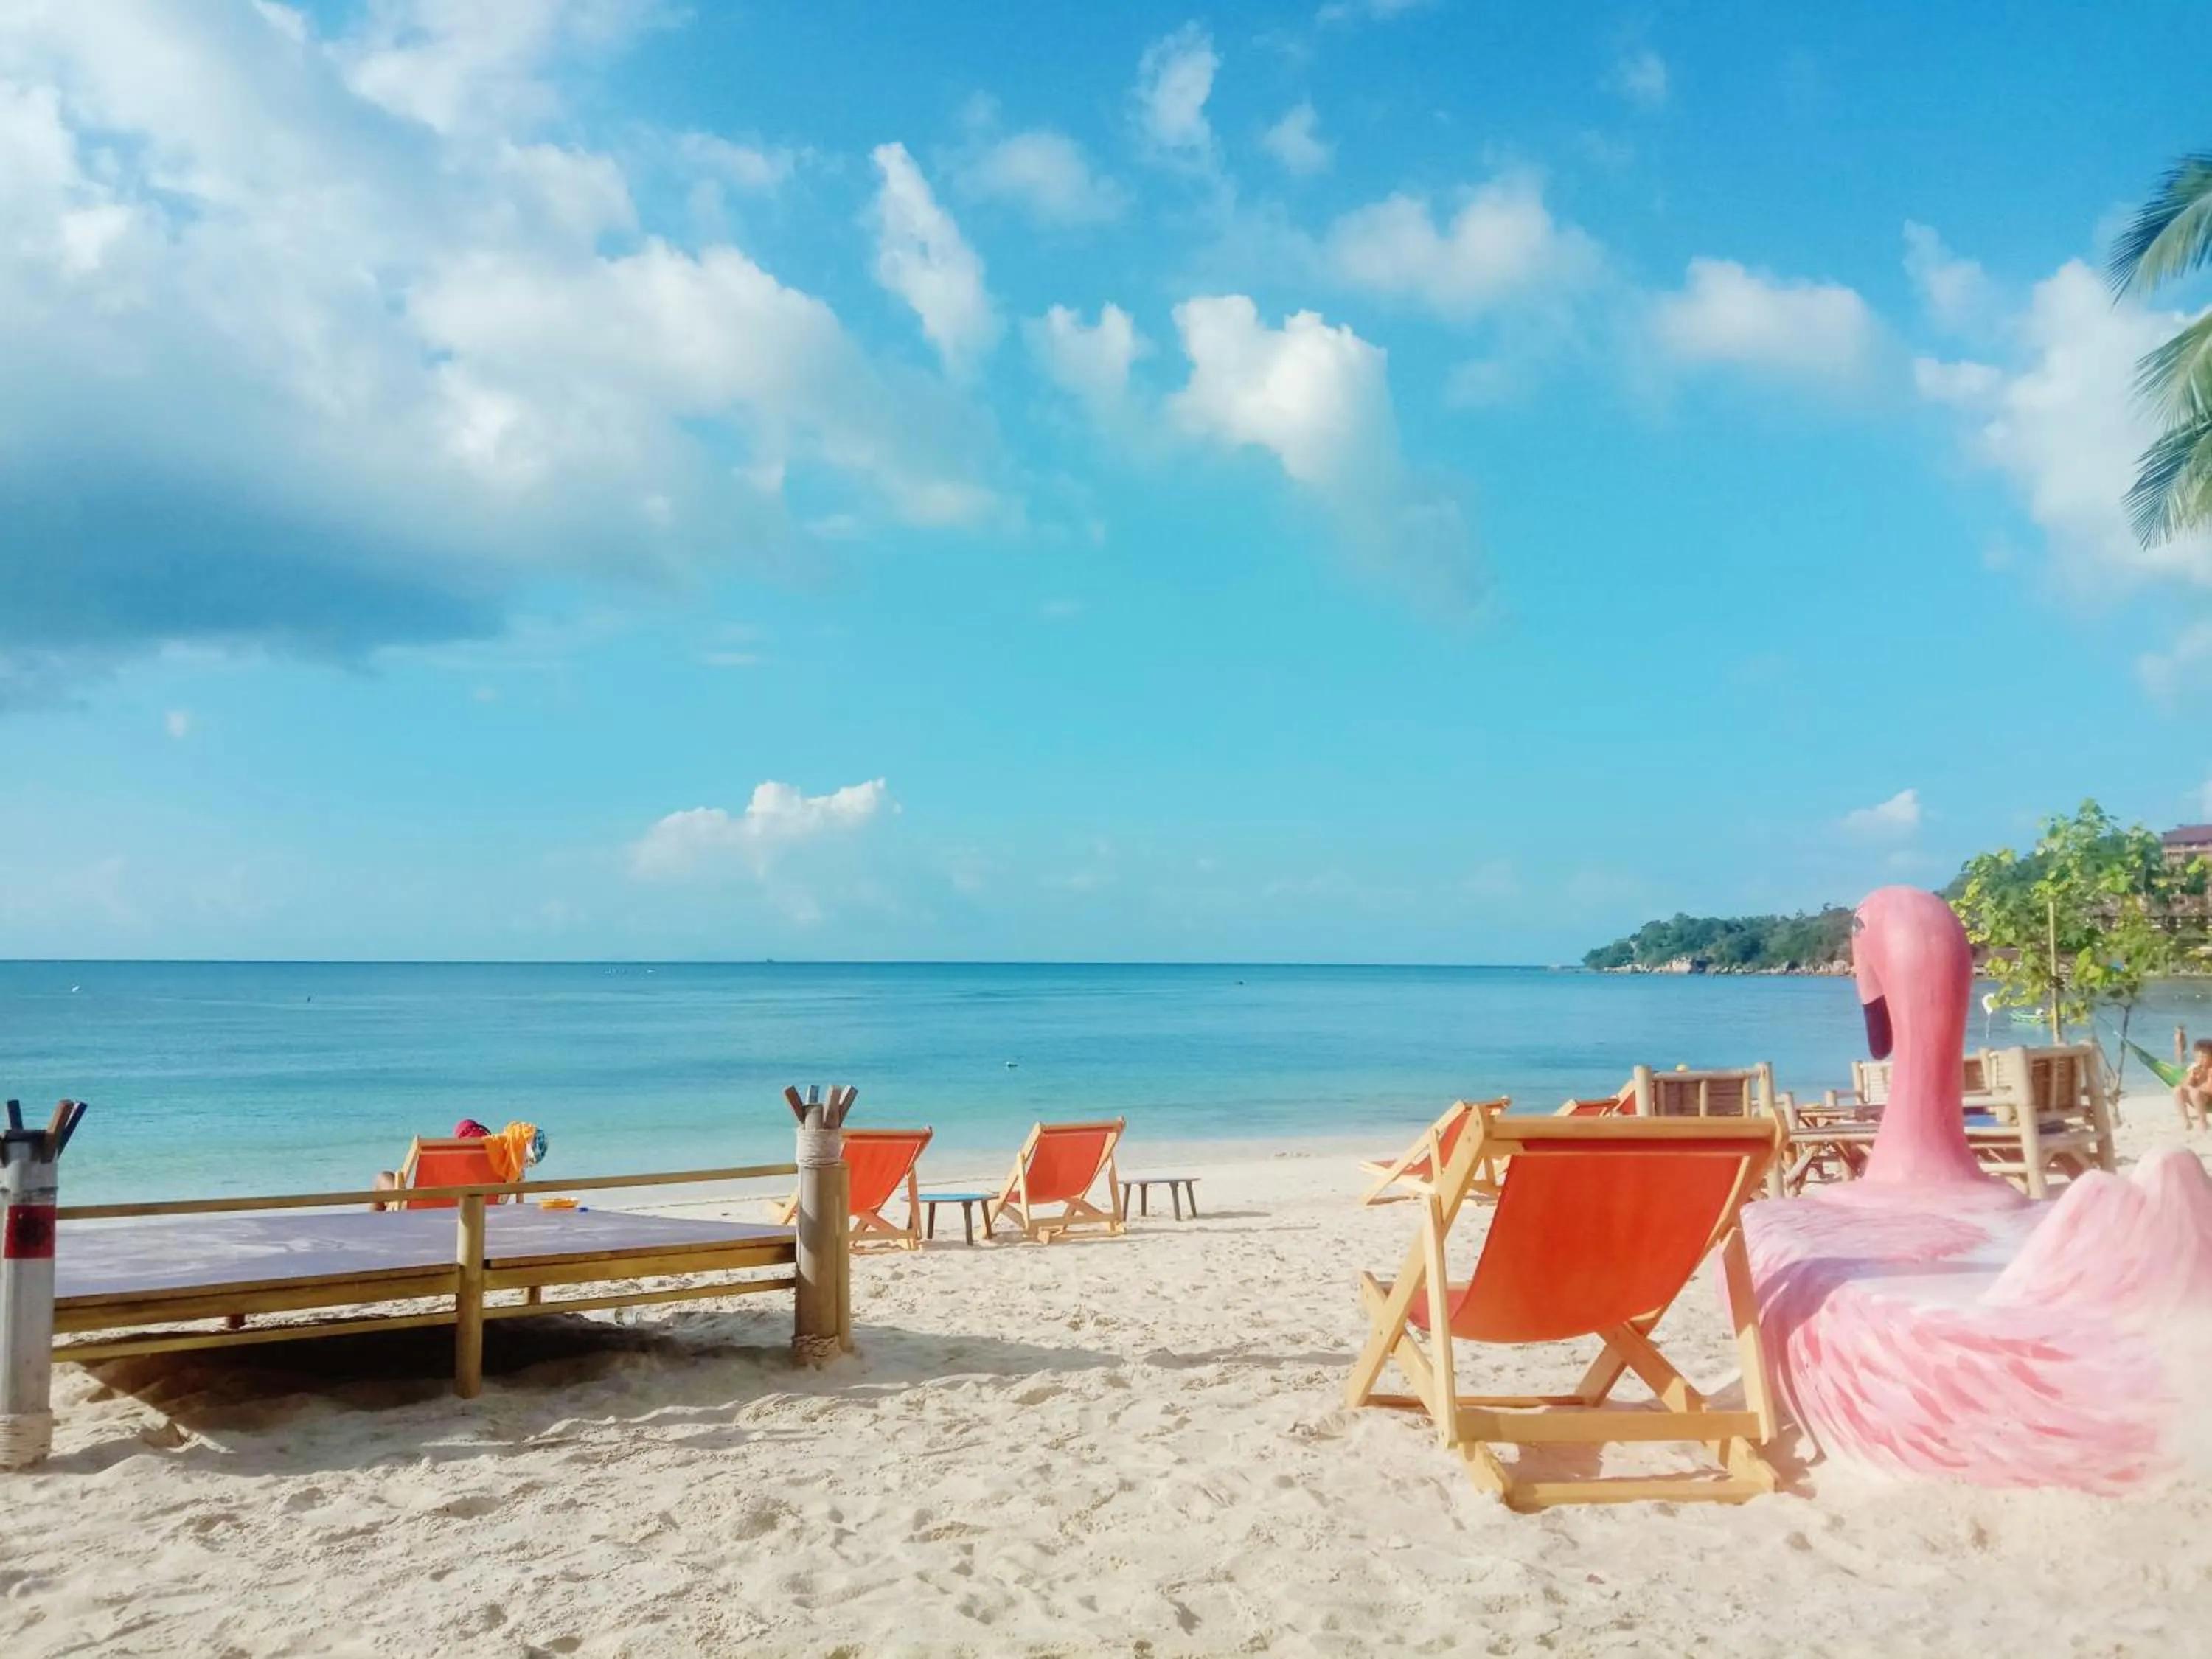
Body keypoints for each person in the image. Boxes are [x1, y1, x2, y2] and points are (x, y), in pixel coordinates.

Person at [2177, 1039, 2212, 1133]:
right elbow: (2183, 1085)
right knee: (2177, 1090)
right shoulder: (2195, 1068)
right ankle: (2186, 1121)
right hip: (2197, 1098)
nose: (2200, 1059)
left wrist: (2197, 1087)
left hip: (2209, 1100)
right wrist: (2192, 1077)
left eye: (2204, 1056)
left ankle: (2203, 1122)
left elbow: (2210, 1089)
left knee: (2194, 1092)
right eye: (2198, 1056)